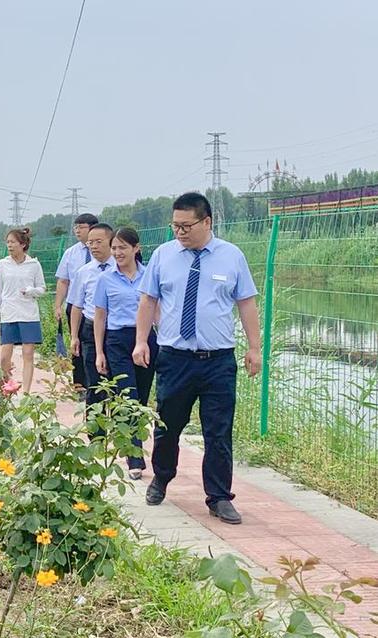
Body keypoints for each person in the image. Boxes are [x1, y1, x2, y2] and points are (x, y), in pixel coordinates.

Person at [133, 192, 261, 525]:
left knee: (218, 431)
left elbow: (246, 303)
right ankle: (161, 477)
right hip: (175, 358)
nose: (180, 232)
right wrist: (140, 342)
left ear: (207, 222)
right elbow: (148, 301)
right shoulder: (164, 255)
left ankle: (219, 496)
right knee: (168, 425)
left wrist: (254, 347)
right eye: (175, 226)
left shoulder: (231, 256)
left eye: (186, 226)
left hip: (218, 361)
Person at [93, 227, 158, 480]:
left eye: (123, 247)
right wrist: (99, 351)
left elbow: (158, 309)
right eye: (115, 248)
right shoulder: (105, 279)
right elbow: (100, 317)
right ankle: (135, 458)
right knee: (127, 395)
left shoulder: (149, 276)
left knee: (141, 398)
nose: (118, 252)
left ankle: (128, 441)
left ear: (136, 248)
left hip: (146, 339)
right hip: (117, 340)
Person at [0, 228, 46, 393]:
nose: (9, 245)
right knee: (4, 357)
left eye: (13, 242)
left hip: (28, 314)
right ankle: (8, 386)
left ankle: (27, 393)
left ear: (23, 244)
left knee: (28, 354)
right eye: (7, 242)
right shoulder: (2, 264)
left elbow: (42, 288)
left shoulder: (34, 265)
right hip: (8, 314)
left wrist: (31, 291)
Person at [67, 223, 115, 408]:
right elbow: (77, 306)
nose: (93, 246)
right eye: (90, 243)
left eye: (98, 242)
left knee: (117, 381)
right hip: (90, 329)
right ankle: (96, 433)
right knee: (94, 382)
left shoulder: (120, 269)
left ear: (110, 242)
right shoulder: (84, 272)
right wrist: (74, 336)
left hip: (115, 329)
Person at [54, 213, 99, 393]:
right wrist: (58, 305)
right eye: (76, 227)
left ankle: (97, 384)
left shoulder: (106, 251)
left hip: (97, 306)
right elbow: (63, 281)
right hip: (75, 305)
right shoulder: (71, 253)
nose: (77, 230)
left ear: (93, 228)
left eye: (81, 226)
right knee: (77, 343)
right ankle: (80, 384)